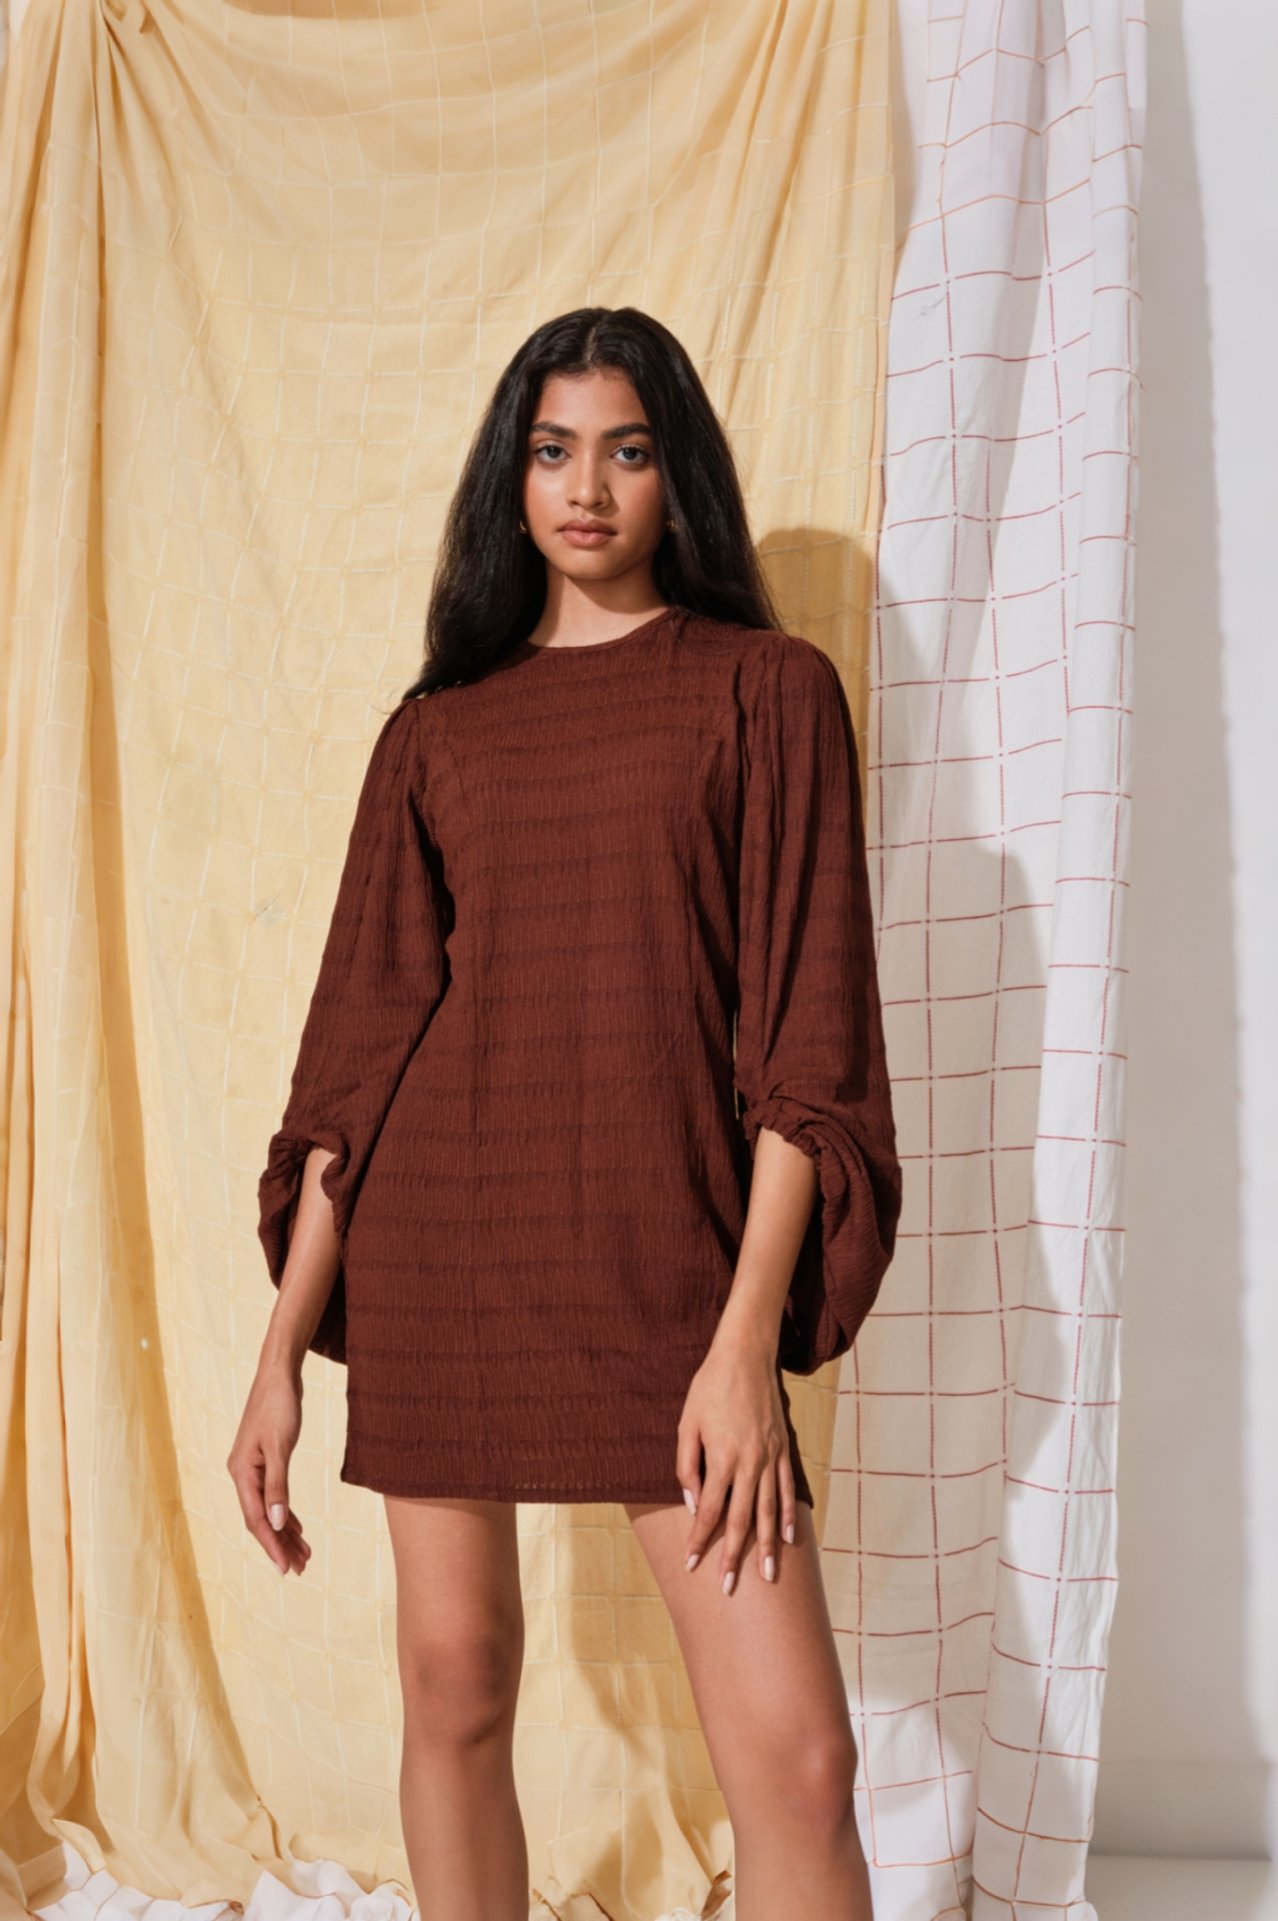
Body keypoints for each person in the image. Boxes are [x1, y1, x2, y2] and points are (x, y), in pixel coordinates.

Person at [227, 306, 902, 1921]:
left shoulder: (766, 690)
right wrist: (278, 1353)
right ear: (509, 478)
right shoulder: (436, 729)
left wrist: (741, 1343)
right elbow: (355, 1063)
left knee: (800, 1761)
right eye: (550, 450)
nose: (584, 488)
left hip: (665, 1263)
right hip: (445, 1258)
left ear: (678, 476)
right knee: (454, 1684)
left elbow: (805, 1049)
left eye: (626, 449)